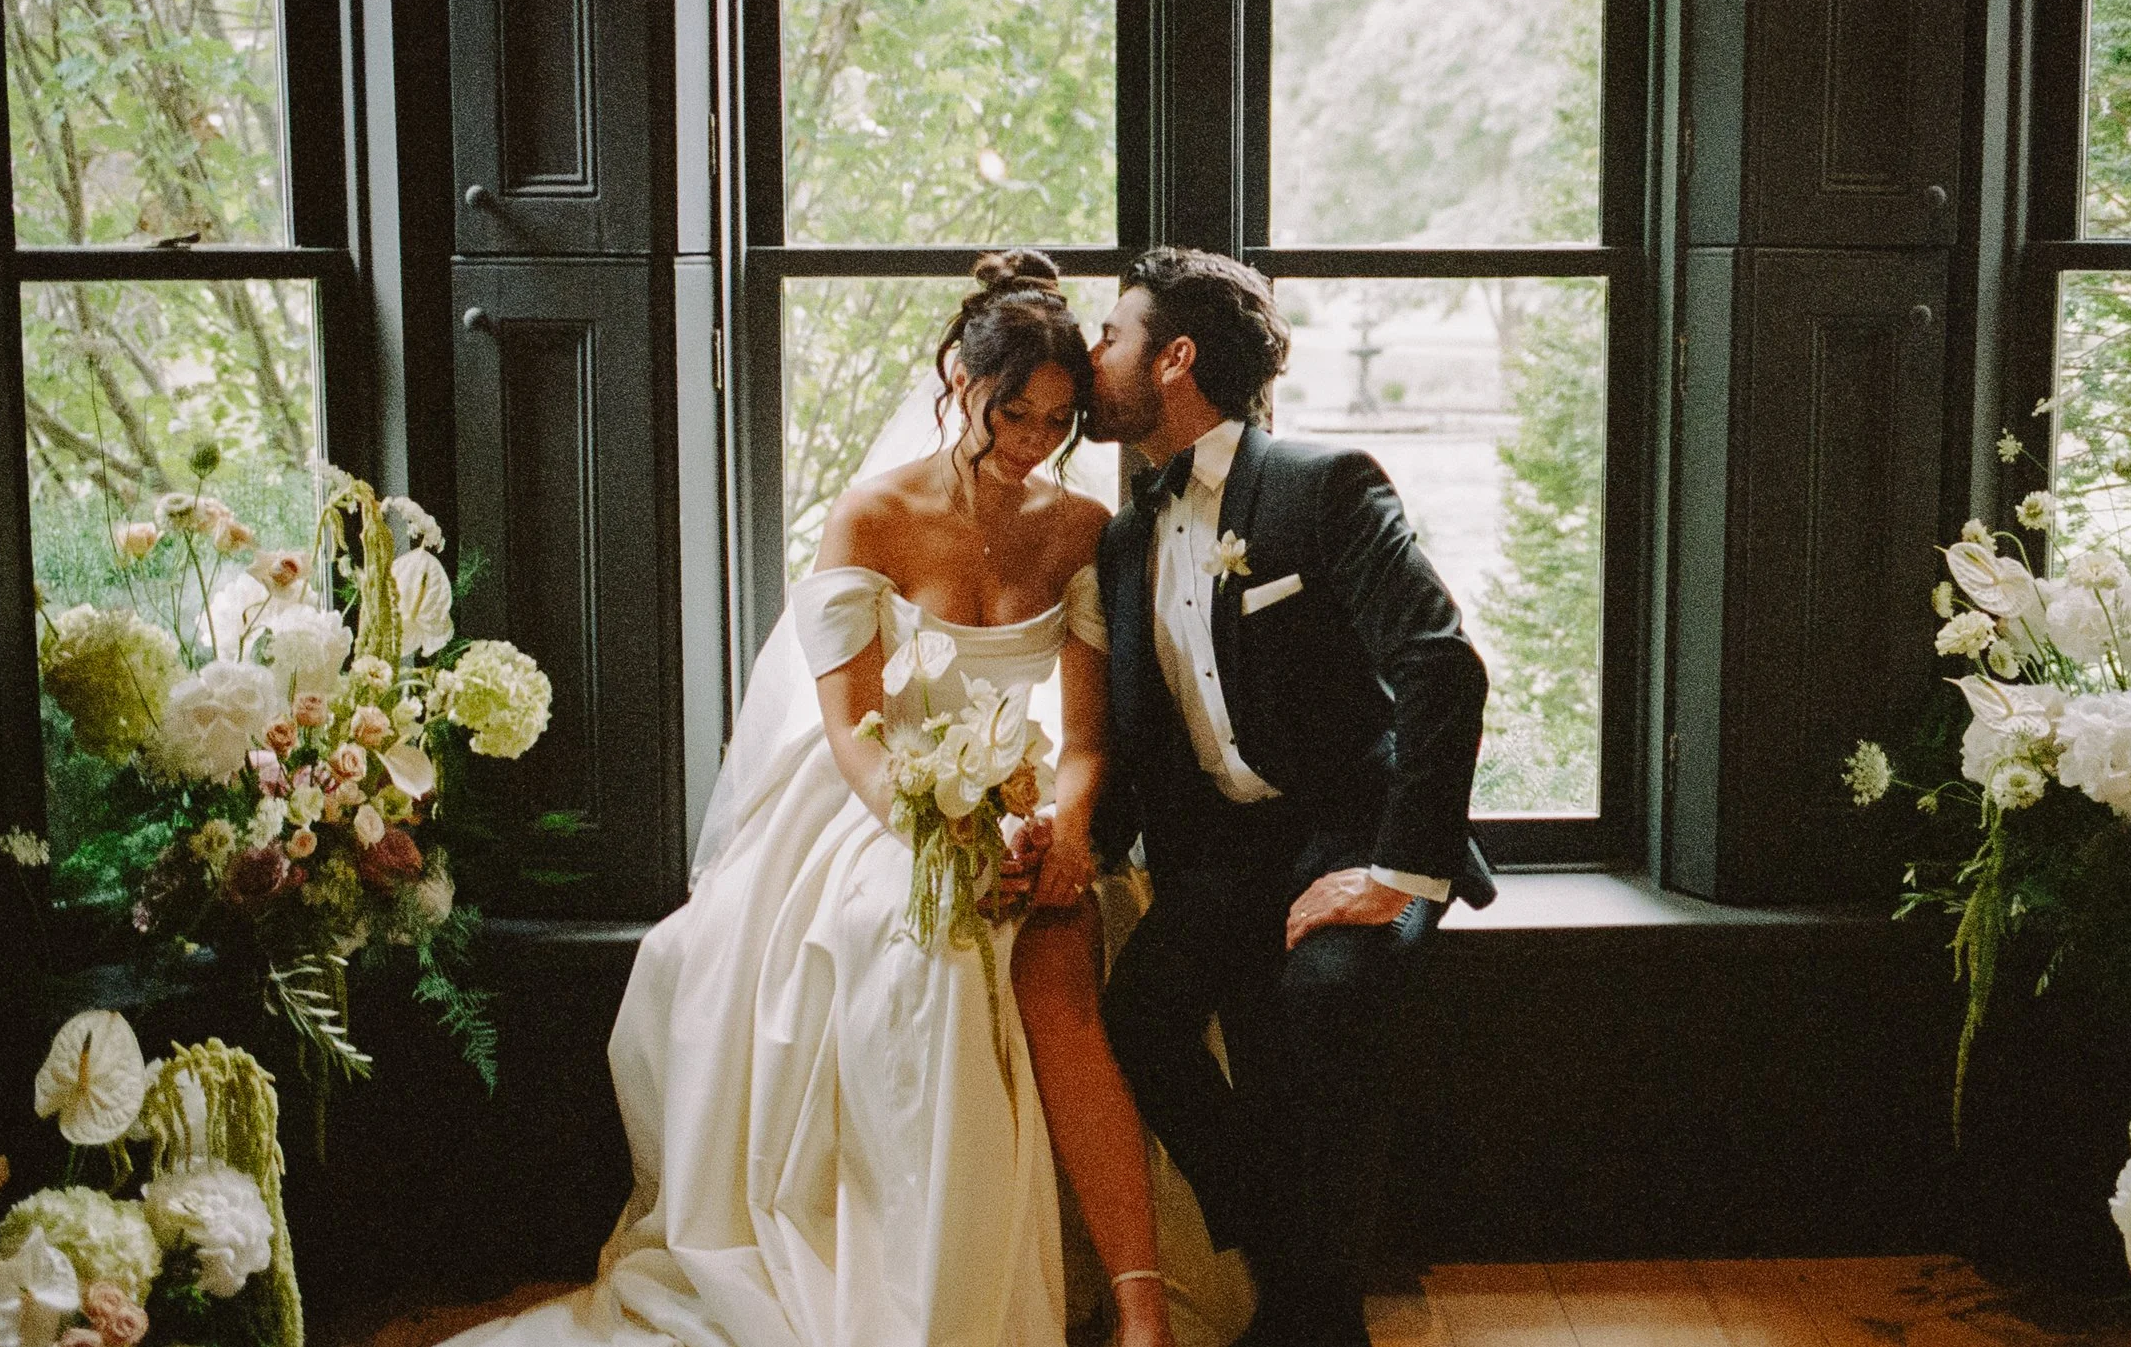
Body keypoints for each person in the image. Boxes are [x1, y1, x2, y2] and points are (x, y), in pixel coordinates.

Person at [445, 251, 1207, 1347]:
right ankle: (920, 1301)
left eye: (1057, 420)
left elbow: (1086, 736)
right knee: (931, 953)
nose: (1033, 440)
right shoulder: (870, 516)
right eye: (1013, 412)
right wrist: (930, 828)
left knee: (1057, 960)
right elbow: (852, 727)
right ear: (958, 379)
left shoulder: (1079, 527)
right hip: (879, 799)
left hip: (1026, 792)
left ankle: (1142, 1310)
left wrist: (1068, 829)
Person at [1081, 248, 1495, 1347]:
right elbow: (1134, 744)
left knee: (1320, 1001)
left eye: (1110, 332)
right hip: (1229, 849)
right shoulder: (1123, 539)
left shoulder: (1323, 484)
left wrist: (1401, 870)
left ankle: (1313, 1318)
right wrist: (1065, 850)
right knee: (1141, 1010)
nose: (1091, 353)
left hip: (1361, 831)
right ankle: (1292, 1258)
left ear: (1174, 358)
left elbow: (1441, 664)